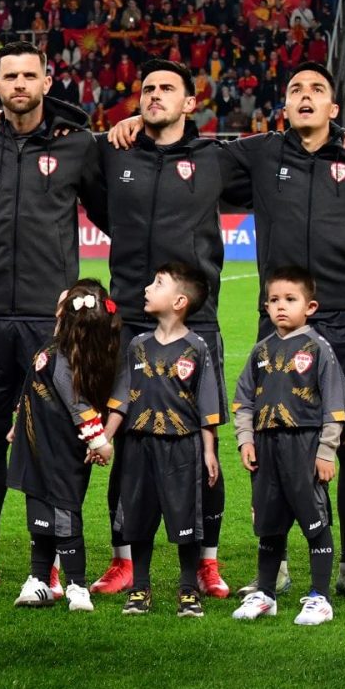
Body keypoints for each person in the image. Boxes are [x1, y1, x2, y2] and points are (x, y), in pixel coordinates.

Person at [121, 61, 345, 599]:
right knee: (271, 440)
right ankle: (275, 565)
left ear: (333, 108)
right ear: (284, 106)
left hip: (344, 319)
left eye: (317, 89)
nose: (305, 95)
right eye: (296, 89)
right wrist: (139, 124)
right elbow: (190, 149)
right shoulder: (258, 153)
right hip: (275, 324)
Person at [0, 41, 104, 596]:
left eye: (28, 75)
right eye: (8, 76)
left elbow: (111, 213)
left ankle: (52, 565)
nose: (18, 84)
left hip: (48, 317)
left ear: (46, 81)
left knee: (53, 439)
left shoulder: (76, 144)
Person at [86, 60, 242, 599]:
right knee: (126, 441)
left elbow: (286, 147)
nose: (154, 95)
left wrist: (341, 136)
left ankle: (207, 562)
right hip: (130, 321)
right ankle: (123, 560)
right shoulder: (115, 151)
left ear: (190, 103)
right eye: (147, 88)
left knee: (201, 441)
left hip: (196, 323)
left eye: (167, 88)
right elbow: (59, 132)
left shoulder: (216, 158)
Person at [101, 263, 223, 617]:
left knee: (186, 517)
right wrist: (103, 438)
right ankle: (140, 587)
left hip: (182, 446)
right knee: (137, 517)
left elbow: (207, 403)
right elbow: (122, 398)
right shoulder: (137, 345)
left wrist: (209, 451)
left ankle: (188, 589)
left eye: (158, 283)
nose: (147, 288)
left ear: (179, 301)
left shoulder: (197, 348)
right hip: (138, 445)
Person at [230, 267, 345, 627]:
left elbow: (334, 406)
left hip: (304, 445)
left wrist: (326, 452)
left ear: (310, 307)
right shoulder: (260, 351)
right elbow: (243, 401)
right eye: (274, 300)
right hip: (266, 446)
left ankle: (320, 597)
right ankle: (265, 594)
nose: (281, 306)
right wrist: (246, 440)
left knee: (314, 520)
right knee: (270, 522)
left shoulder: (318, 348)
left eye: (290, 299)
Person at [5, 279, 117, 613]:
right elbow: (31, 390)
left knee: (64, 518)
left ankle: (77, 586)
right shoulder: (55, 351)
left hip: (59, 454)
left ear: (64, 315)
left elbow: (79, 406)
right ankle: (39, 580)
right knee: (40, 518)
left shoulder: (63, 358)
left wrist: (100, 442)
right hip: (36, 447)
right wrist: (18, 425)